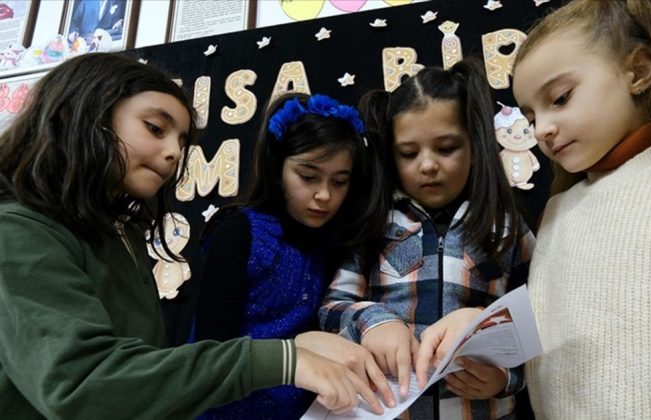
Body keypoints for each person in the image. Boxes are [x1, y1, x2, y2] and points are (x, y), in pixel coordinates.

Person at [0, 52, 384, 419]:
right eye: (155, 128)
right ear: (76, 115)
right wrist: (286, 358)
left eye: (182, 142)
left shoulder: (120, 234)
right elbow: (81, 384)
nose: (173, 152)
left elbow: (141, 376)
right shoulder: (17, 232)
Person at [507, 0, 651, 417]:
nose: (541, 128)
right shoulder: (558, 212)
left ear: (638, 71)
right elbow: (551, 345)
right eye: (530, 117)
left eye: (559, 98)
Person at [319, 56, 536, 420]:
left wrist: (505, 378)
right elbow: (331, 306)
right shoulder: (373, 223)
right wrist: (374, 321)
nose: (427, 165)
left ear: (475, 145)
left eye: (447, 148)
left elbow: (536, 326)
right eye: (408, 153)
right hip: (388, 408)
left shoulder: (507, 227)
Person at [193, 92, 395, 419]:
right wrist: (300, 347)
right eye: (308, 177)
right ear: (277, 168)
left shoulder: (338, 242)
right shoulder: (238, 232)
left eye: (340, 181)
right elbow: (208, 356)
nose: (324, 195)